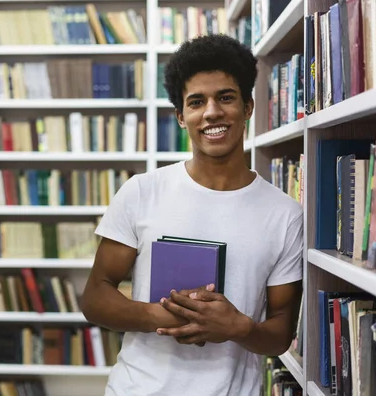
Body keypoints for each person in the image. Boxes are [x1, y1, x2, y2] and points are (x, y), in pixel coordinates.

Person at [80, 34, 303, 396]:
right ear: (181, 116)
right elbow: (94, 297)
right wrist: (163, 315)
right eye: (197, 102)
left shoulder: (285, 214)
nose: (212, 112)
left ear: (248, 106)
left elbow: (280, 334)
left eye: (225, 97)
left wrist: (238, 327)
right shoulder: (141, 192)